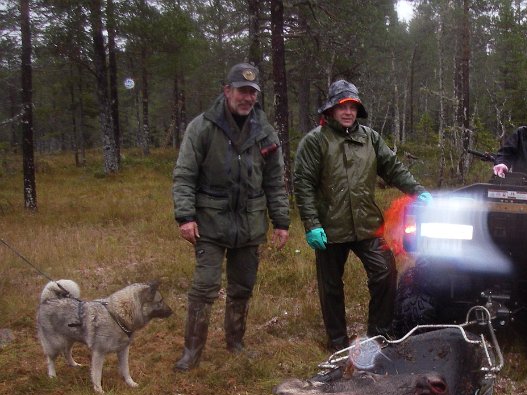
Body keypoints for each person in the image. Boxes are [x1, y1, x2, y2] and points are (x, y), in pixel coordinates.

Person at [293, 80, 431, 351]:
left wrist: (417, 191)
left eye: (353, 107)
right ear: (331, 109)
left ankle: (378, 336)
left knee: (384, 272)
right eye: (342, 106)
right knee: (331, 286)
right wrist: (311, 224)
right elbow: (304, 184)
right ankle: (337, 341)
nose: (348, 112)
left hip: (367, 224)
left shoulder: (370, 138)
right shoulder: (315, 141)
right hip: (330, 227)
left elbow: (392, 167)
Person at [172, 62, 290, 371]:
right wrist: (185, 216)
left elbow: (275, 181)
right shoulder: (202, 127)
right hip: (209, 222)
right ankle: (192, 351)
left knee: (242, 286)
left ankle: (235, 343)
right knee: (204, 286)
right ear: (227, 91)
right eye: (241, 91)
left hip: (250, 223)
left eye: (252, 92)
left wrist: (281, 221)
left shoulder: (265, 131)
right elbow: (184, 175)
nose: (247, 98)